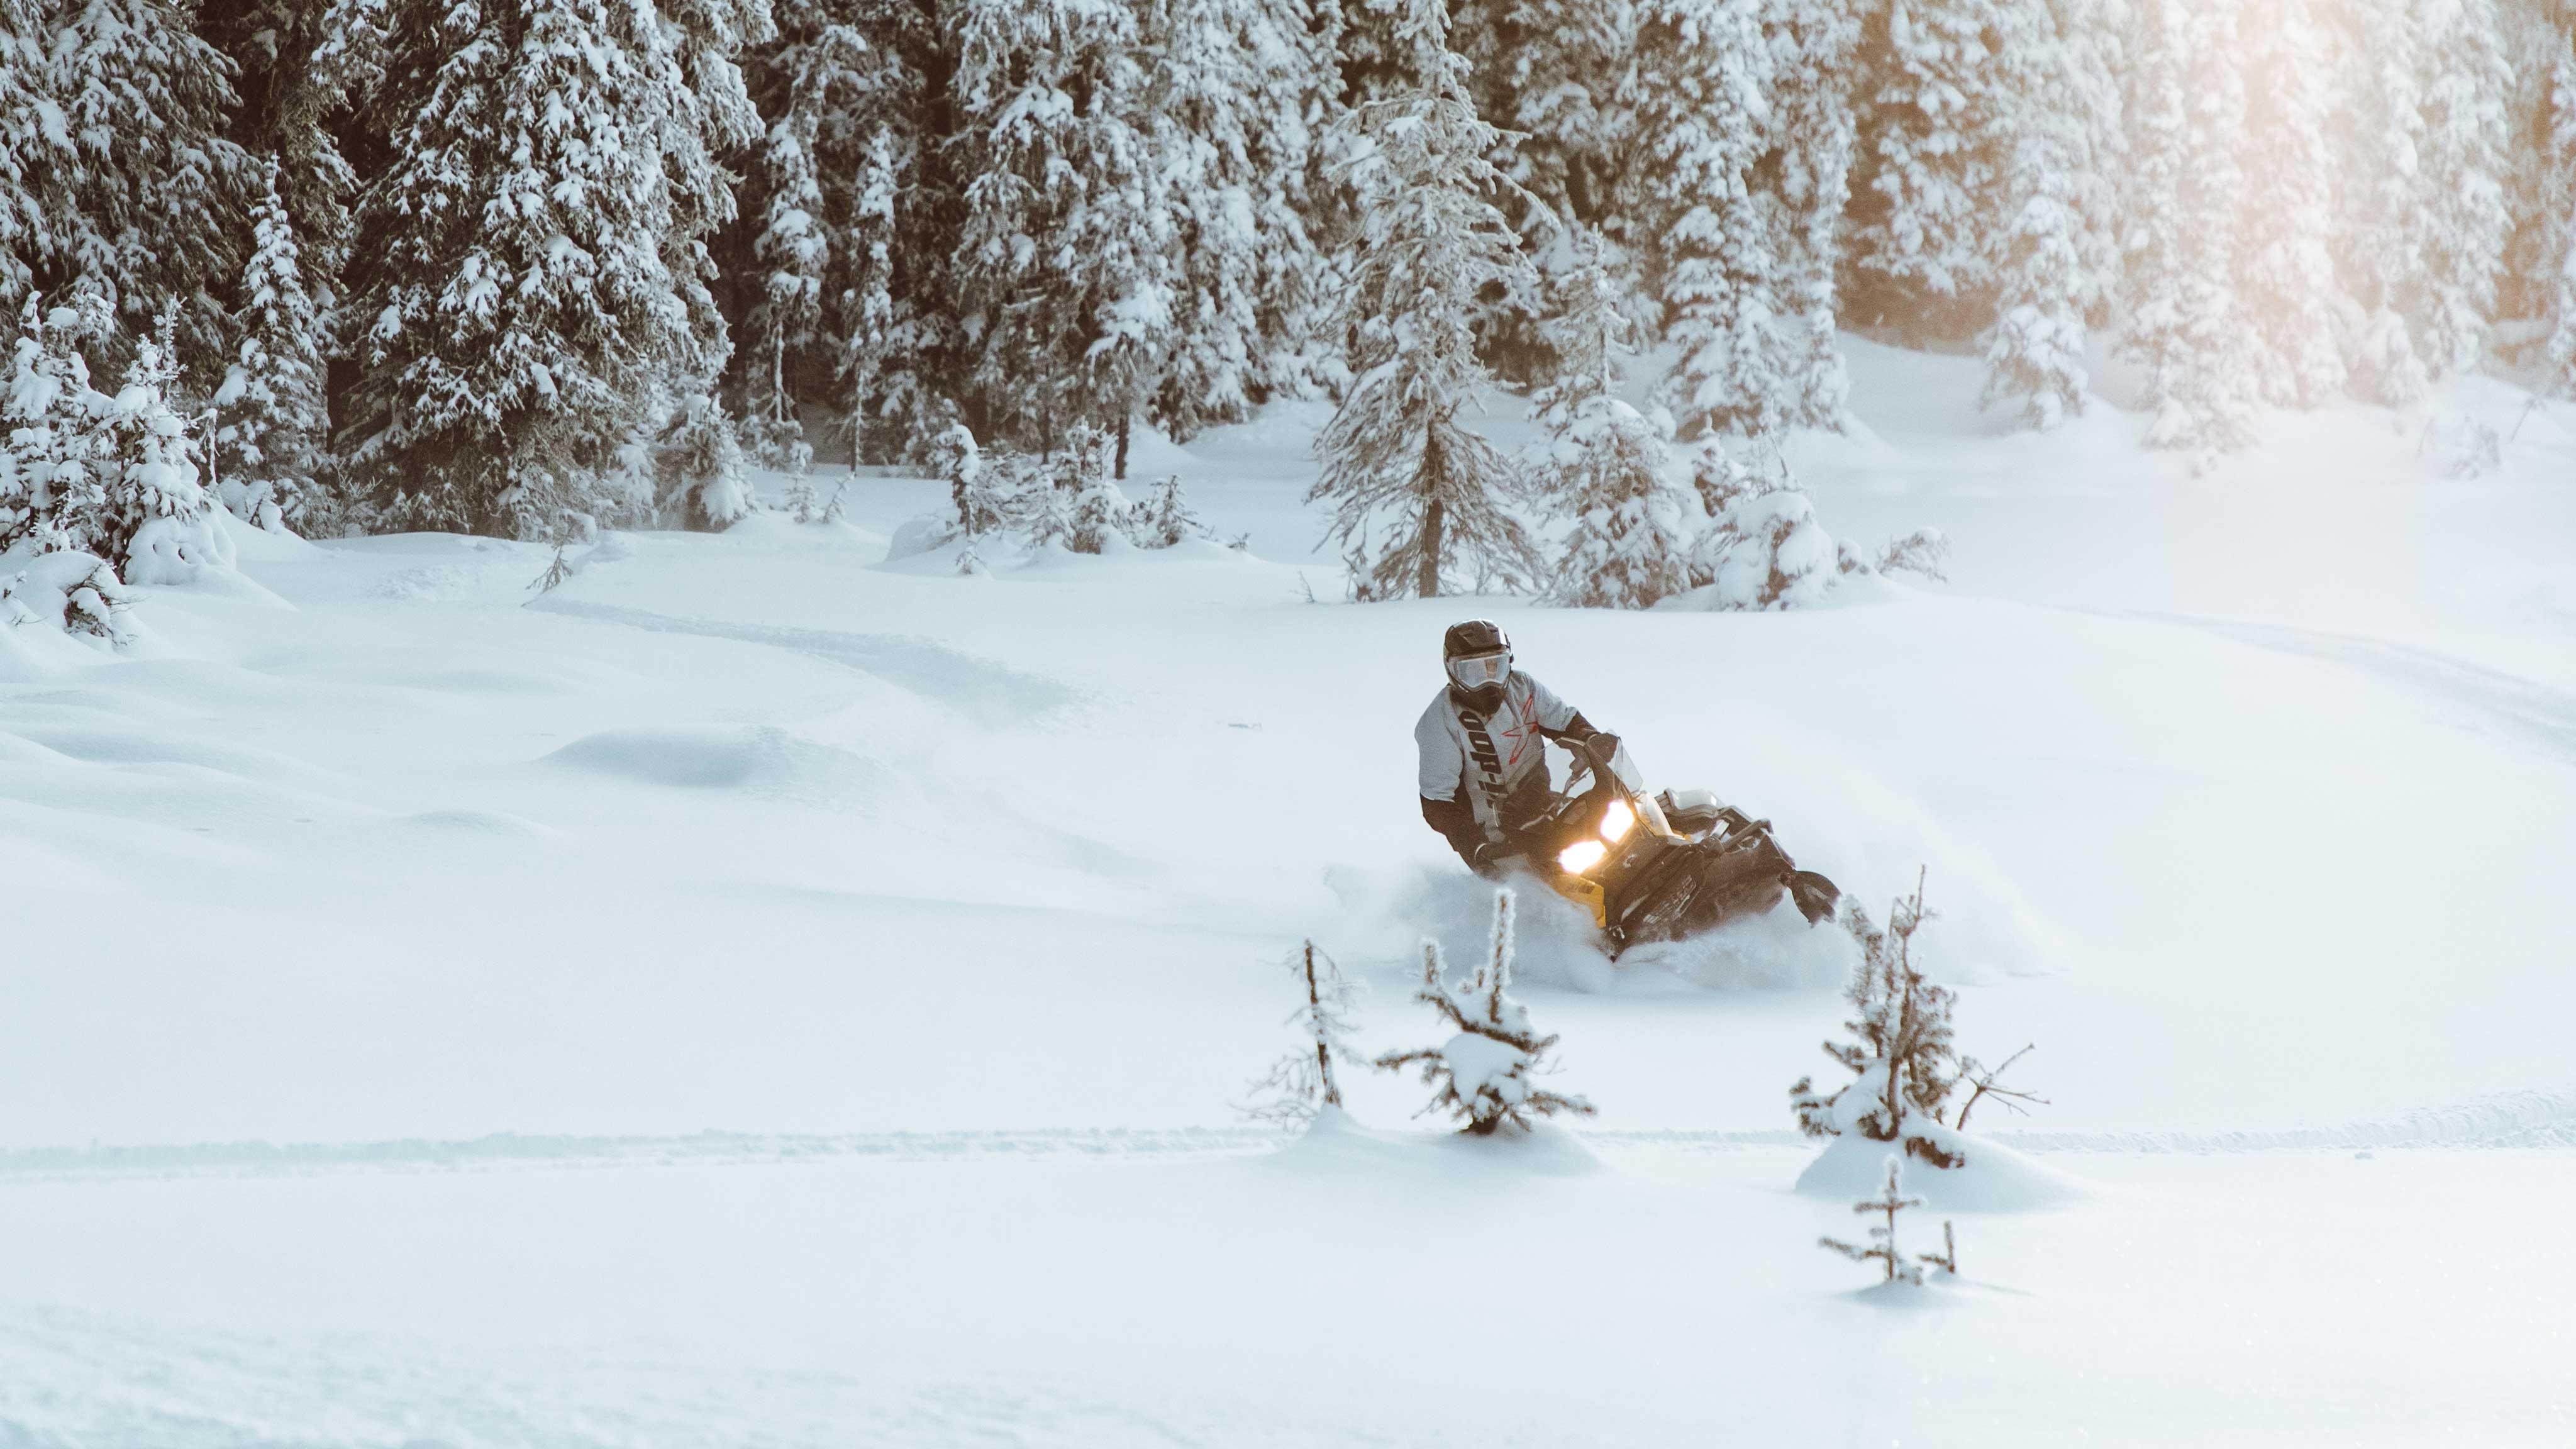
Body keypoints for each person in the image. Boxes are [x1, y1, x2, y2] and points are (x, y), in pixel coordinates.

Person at [1416, 620, 1604, 875]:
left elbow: (1567, 721)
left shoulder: (1523, 688)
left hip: (1544, 809)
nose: (1488, 682)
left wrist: (1592, 741)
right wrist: (1474, 846)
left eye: (1495, 666)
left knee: (1608, 832)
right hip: (1495, 842)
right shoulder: (1440, 722)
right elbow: (1437, 803)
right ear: (1453, 672)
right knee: (1545, 893)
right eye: (1474, 673)